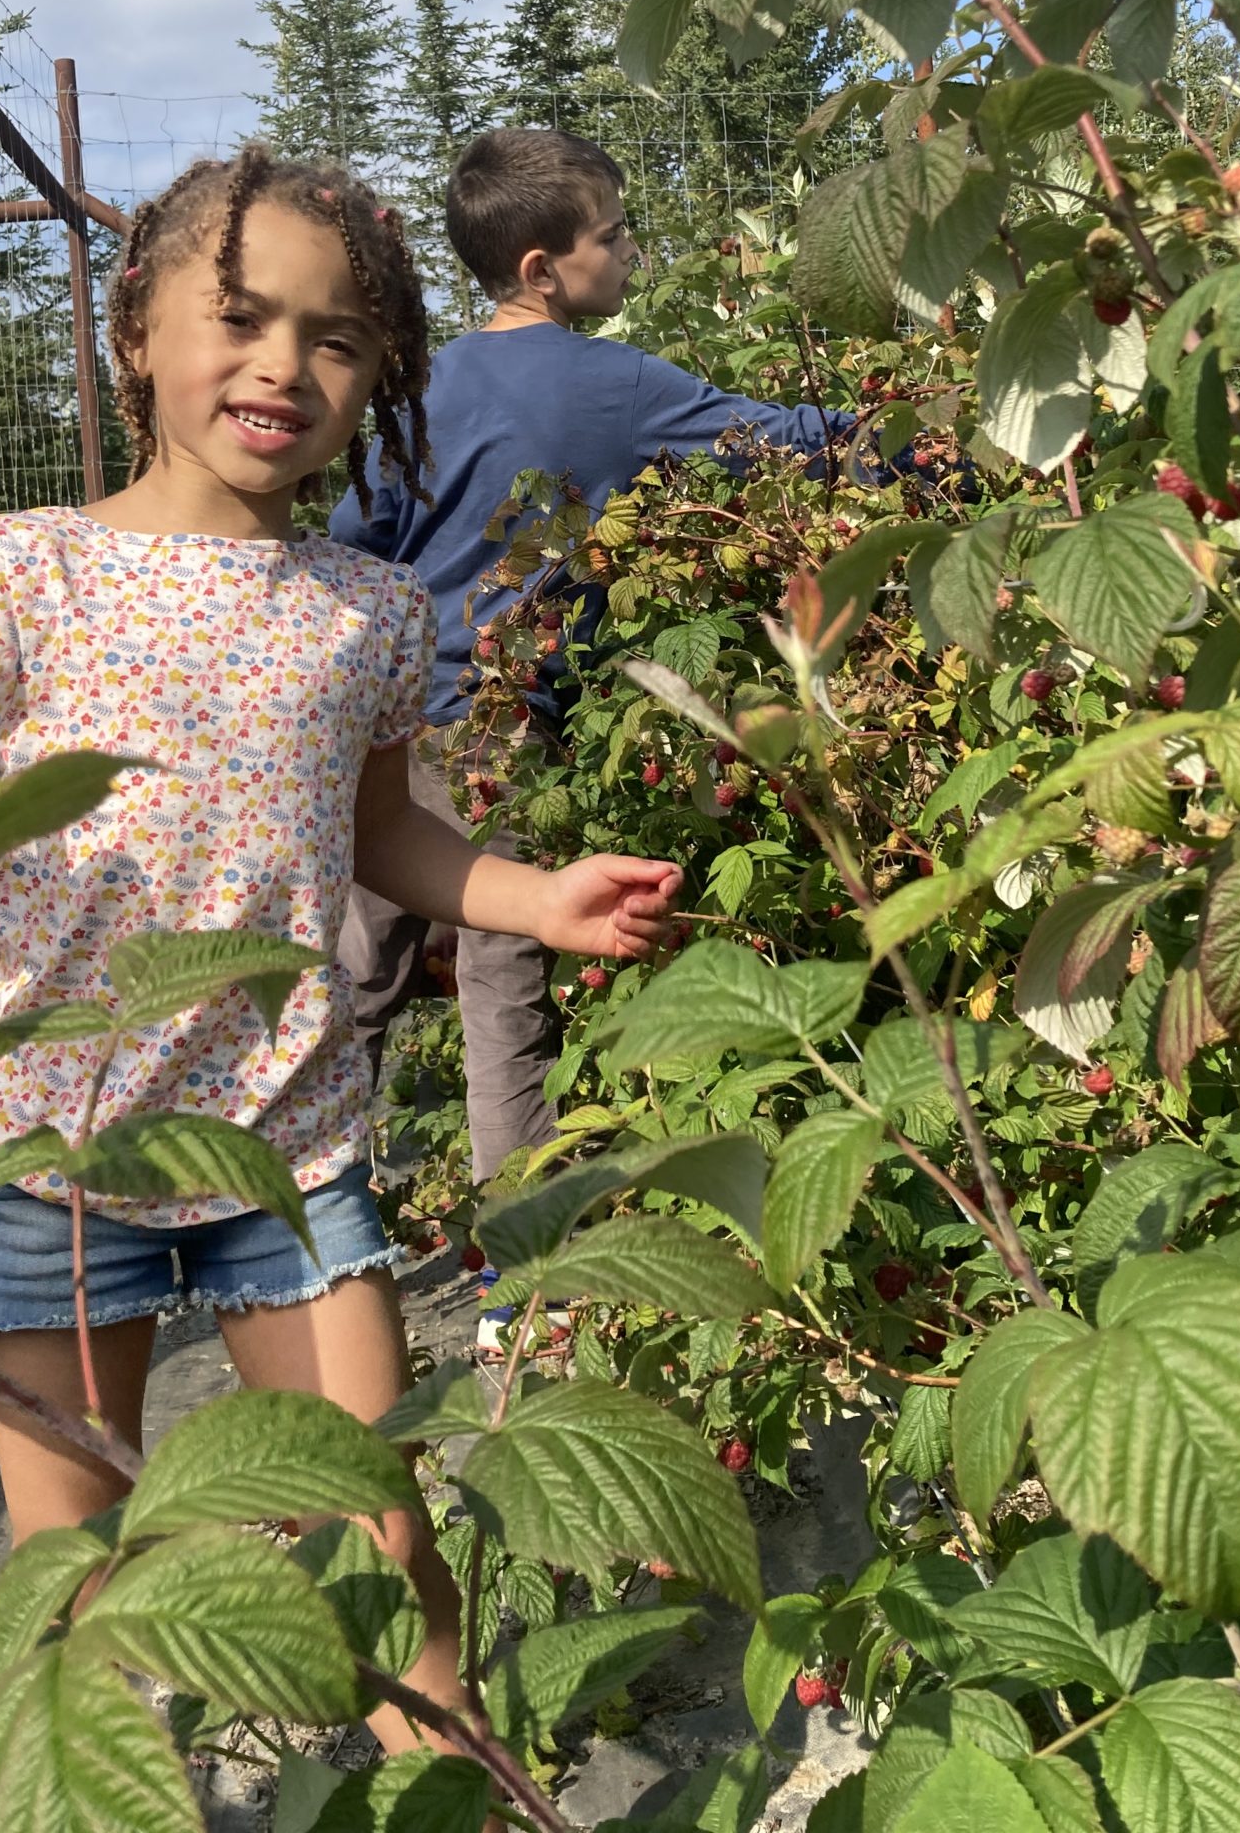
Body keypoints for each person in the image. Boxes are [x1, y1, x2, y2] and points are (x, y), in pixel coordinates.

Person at [0, 149, 677, 1756]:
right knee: (79, 1584)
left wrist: (535, 898)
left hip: (288, 1144)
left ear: (381, 372)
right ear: (138, 331)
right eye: (243, 317)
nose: (286, 365)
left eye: (337, 339)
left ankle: (441, 1775)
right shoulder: (9, 577)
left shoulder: (365, 614)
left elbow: (379, 834)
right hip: (55, 1158)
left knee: (388, 1543)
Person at [332, 125, 870, 1189]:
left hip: (387, 730)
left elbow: (352, 548)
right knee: (505, 985)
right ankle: (519, 1255)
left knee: (359, 976)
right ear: (544, 268)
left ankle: (302, 1204)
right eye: (613, 237)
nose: (630, 255)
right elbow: (781, 439)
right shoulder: (613, 384)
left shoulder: (417, 391)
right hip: (509, 736)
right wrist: (926, 429)